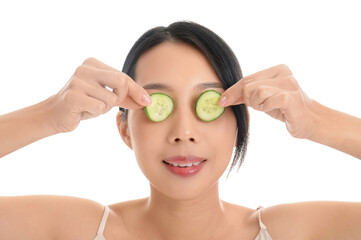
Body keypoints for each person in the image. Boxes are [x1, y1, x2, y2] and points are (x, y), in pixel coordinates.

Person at [0, 21, 360, 240]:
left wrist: (317, 121)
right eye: (159, 104)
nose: (184, 132)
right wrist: (48, 114)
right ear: (124, 128)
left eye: (208, 104)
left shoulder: (289, 231)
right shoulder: (77, 229)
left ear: (239, 123)